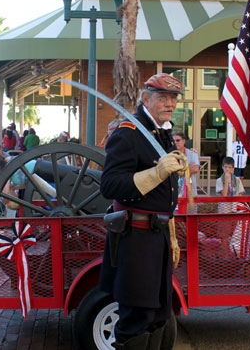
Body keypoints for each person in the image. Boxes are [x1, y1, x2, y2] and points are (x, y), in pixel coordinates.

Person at [99, 73, 186, 349]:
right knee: (137, 318)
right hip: (136, 240)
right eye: (162, 98)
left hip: (157, 238)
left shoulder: (162, 133)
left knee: (159, 315)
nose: (169, 104)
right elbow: (110, 185)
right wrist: (158, 172)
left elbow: (165, 198)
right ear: (145, 98)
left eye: (173, 98)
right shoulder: (128, 132)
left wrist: (171, 236)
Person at [173, 132, 199, 198]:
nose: (175, 142)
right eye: (173, 141)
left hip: (190, 191)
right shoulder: (169, 154)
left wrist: (178, 170)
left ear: (183, 141)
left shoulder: (192, 153)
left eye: (178, 140)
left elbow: (195, 169)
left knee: (190, 208)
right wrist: (189, 167)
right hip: (174, 192)